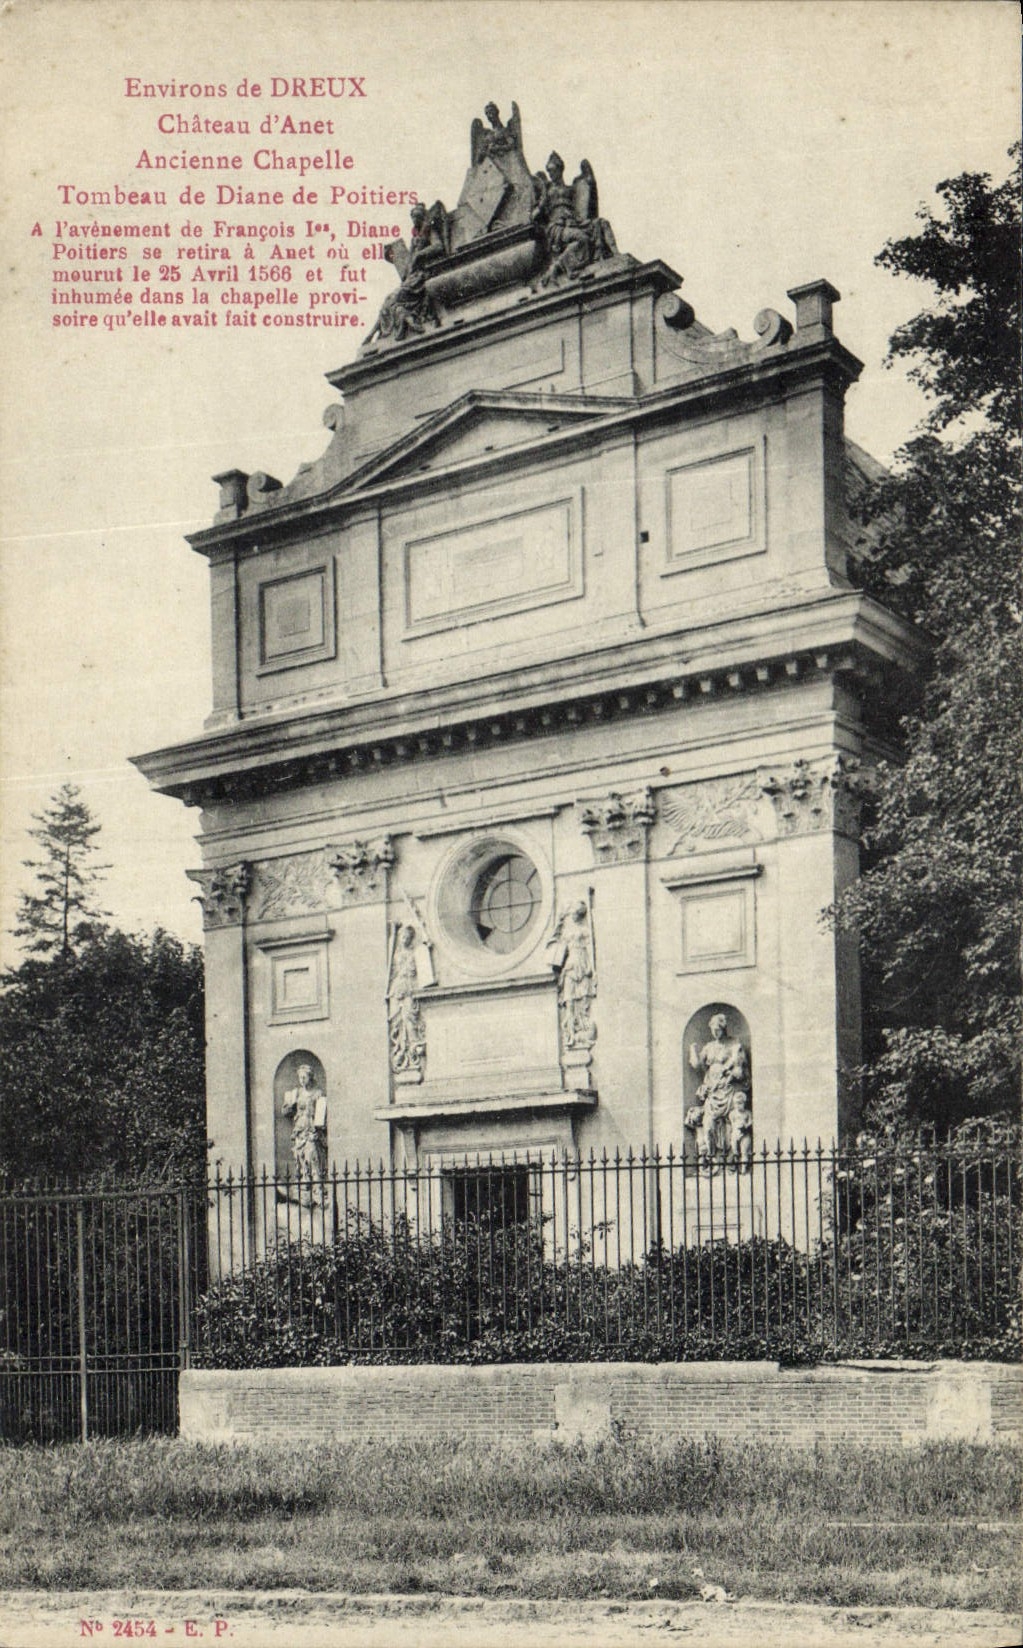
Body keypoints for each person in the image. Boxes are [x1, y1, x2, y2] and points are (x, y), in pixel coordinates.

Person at [687, 1014, 752, 1171]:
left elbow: (741, 1069)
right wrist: (692, 1050)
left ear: (724, 1029)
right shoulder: (708, 1047)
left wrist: (733, 1073)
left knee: (731, 1126)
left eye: (719, 1029)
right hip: (712, 1090)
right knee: (708, 1125)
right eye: (713, 1030)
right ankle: (710, 1158)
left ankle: (732, 1160)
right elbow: (696, 1064)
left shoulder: (734, 1045)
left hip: (728, 1090)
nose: (716, 1032)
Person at [282, 1063, 327, 1184]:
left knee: (312, 1158)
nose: (301, 1080)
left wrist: (318, 1130)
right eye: (300, 1077)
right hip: (299, 1130)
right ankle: (305, 1190)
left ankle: (318, 1189)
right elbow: (286, 1112)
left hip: (311, 1130)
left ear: (310, 1077)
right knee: (300, 1160)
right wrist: (289, 1106)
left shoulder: (317, 1093)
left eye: (304, 1077)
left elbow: (322, 1114)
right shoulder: (296, 1093)